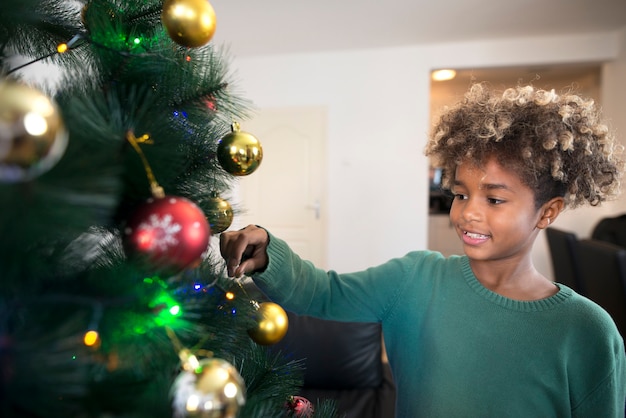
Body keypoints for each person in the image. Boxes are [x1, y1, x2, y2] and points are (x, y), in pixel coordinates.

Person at [220, 83, 626, 417]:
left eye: (495, 200)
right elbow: (323, 292)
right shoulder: (416, 279)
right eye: (461, 194)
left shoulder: (587, 331)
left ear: (547, 212)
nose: (468, 214)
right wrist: (268, 250)